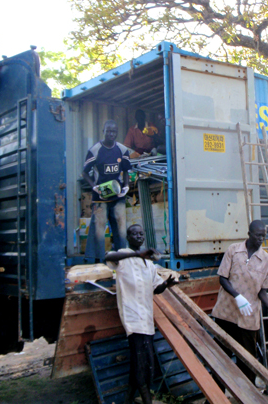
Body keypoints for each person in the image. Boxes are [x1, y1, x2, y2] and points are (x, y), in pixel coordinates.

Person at [104, 224, 177, 404]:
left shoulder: (149, 264)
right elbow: (108, 257)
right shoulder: (123, 255)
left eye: (141, 233)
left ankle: (129, 399)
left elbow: (156, 288)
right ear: (128, 237)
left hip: (146, 318)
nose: (138, 236)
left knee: (141, 362)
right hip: (132, 317)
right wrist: (137, 254)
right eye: (134, 233)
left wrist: (167, 284)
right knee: (142, 362)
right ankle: (146, 399)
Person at [211, 220, 268, 386]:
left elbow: (262, 290)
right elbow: (223, 278)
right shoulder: (233, 250)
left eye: (264, 236)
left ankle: (246, 397)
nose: (261, 238)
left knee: (247, 360)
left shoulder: (266, 260)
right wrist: (237, 296)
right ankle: (215, 397)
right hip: (226, 312)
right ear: (249, 234)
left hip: (248, 317)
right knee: (220, 357)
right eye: (257, 235)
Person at [82, 119, 131, 261]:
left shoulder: (122, 150)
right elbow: (84, 173)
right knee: (98, 230)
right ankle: (96, 260)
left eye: (114, 131)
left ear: (116, 133)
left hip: (118, 196)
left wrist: (126, 186)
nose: (111, 134)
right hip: (100, 198)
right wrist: (94, 187)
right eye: (108, 131)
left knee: (121, 230)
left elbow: (126, 170)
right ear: (103, 131)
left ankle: (121, 259)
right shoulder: (94, 151)